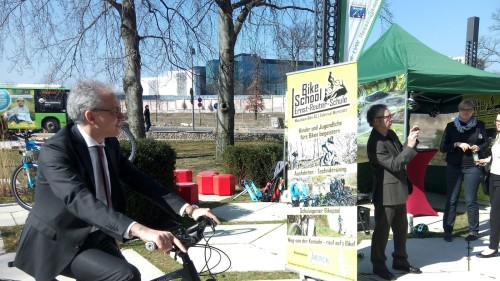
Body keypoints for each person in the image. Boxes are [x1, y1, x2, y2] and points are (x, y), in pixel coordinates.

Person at [13, 80, 221, 281]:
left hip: (97, 235)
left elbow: (139, 180)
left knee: (127, 275)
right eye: (114, 111)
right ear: (91, 116)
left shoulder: (109, 144)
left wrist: (189, 209)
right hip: (59, 242)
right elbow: (79, 199)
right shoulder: (56, 151)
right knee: (125, 275)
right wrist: (141, 230)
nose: (122, 116)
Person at [366, 104, 421, 280]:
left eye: (390, 115)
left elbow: (400, 154)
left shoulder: (390, 134)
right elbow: (395, 165)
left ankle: (400, 260)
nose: (391, 118)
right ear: (376, 121)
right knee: (382, 231)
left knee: (401, 229)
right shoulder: (375, 143)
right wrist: (410, 147)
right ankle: (378, 265)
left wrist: (410, 140)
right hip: (385, 193)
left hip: (399, 189)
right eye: (387, 116)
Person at [439, 99, 489, 242]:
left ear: (473, 111)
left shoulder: (480, 125)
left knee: (470, 200)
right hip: (454, 166)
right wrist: (456, 144)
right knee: (452, 198)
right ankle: (448, 230)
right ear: (459, 111)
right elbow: (443, 147)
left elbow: (486, 142)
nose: (465, 112)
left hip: (473, 166)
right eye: (463, 110)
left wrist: (479, 147)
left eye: (468, 110)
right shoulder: (450, 126)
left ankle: (474, 231)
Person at [476, 113, 500, 258]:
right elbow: (496, 156)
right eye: (497, 120)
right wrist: (486, 160)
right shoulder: (498, 136)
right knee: (495, 209)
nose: (498, 123)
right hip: (493, 176)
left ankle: (492, 246)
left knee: (495, 212)